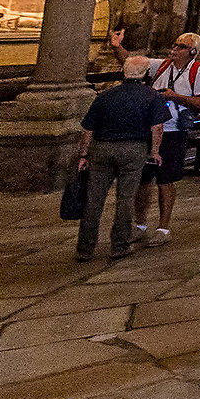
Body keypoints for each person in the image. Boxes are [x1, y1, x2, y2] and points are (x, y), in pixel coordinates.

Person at [111, 26, 200, 244]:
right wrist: (117, 46)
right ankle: (140, 224)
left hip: (174, 132)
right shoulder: (162, 66)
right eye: (174, 44)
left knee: (166, 181)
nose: (174, 49)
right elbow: (130, 61)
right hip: (151, 129)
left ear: (192, 52)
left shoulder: (198, 71)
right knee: (143, 180)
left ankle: (163, 229)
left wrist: (175, 96)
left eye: (181, 46)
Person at [75, 56, 164, 260]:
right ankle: (120, 246)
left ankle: (85, 248)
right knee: (125, 199)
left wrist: (83, 154)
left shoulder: (105, 96)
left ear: (123, 73)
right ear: (147, 74)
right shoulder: (151, 96)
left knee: (94, 200)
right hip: (133, 150)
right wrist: (155, 151)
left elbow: (87, 128)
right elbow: (157, 127)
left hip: (102, 149)